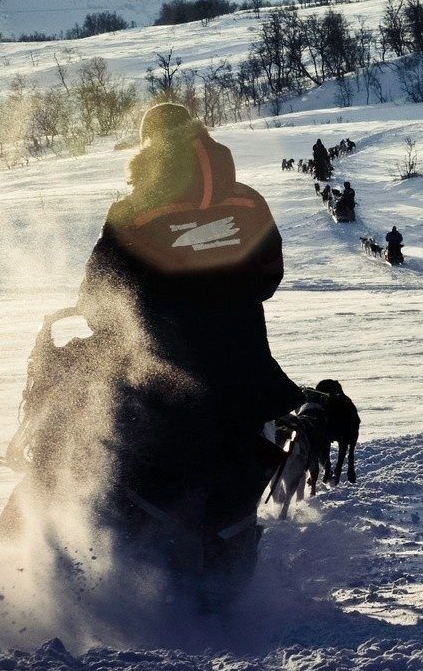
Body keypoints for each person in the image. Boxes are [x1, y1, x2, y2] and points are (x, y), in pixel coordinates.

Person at [76, 102, 302, 589]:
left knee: (113, 447)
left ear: (148, 150)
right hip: (245, 377)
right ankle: (231, 590)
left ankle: (120, 586)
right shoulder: (248, 203)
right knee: (235, 480)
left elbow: (97, 301)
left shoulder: (132, 214)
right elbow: (269, 277)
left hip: (162, 383)